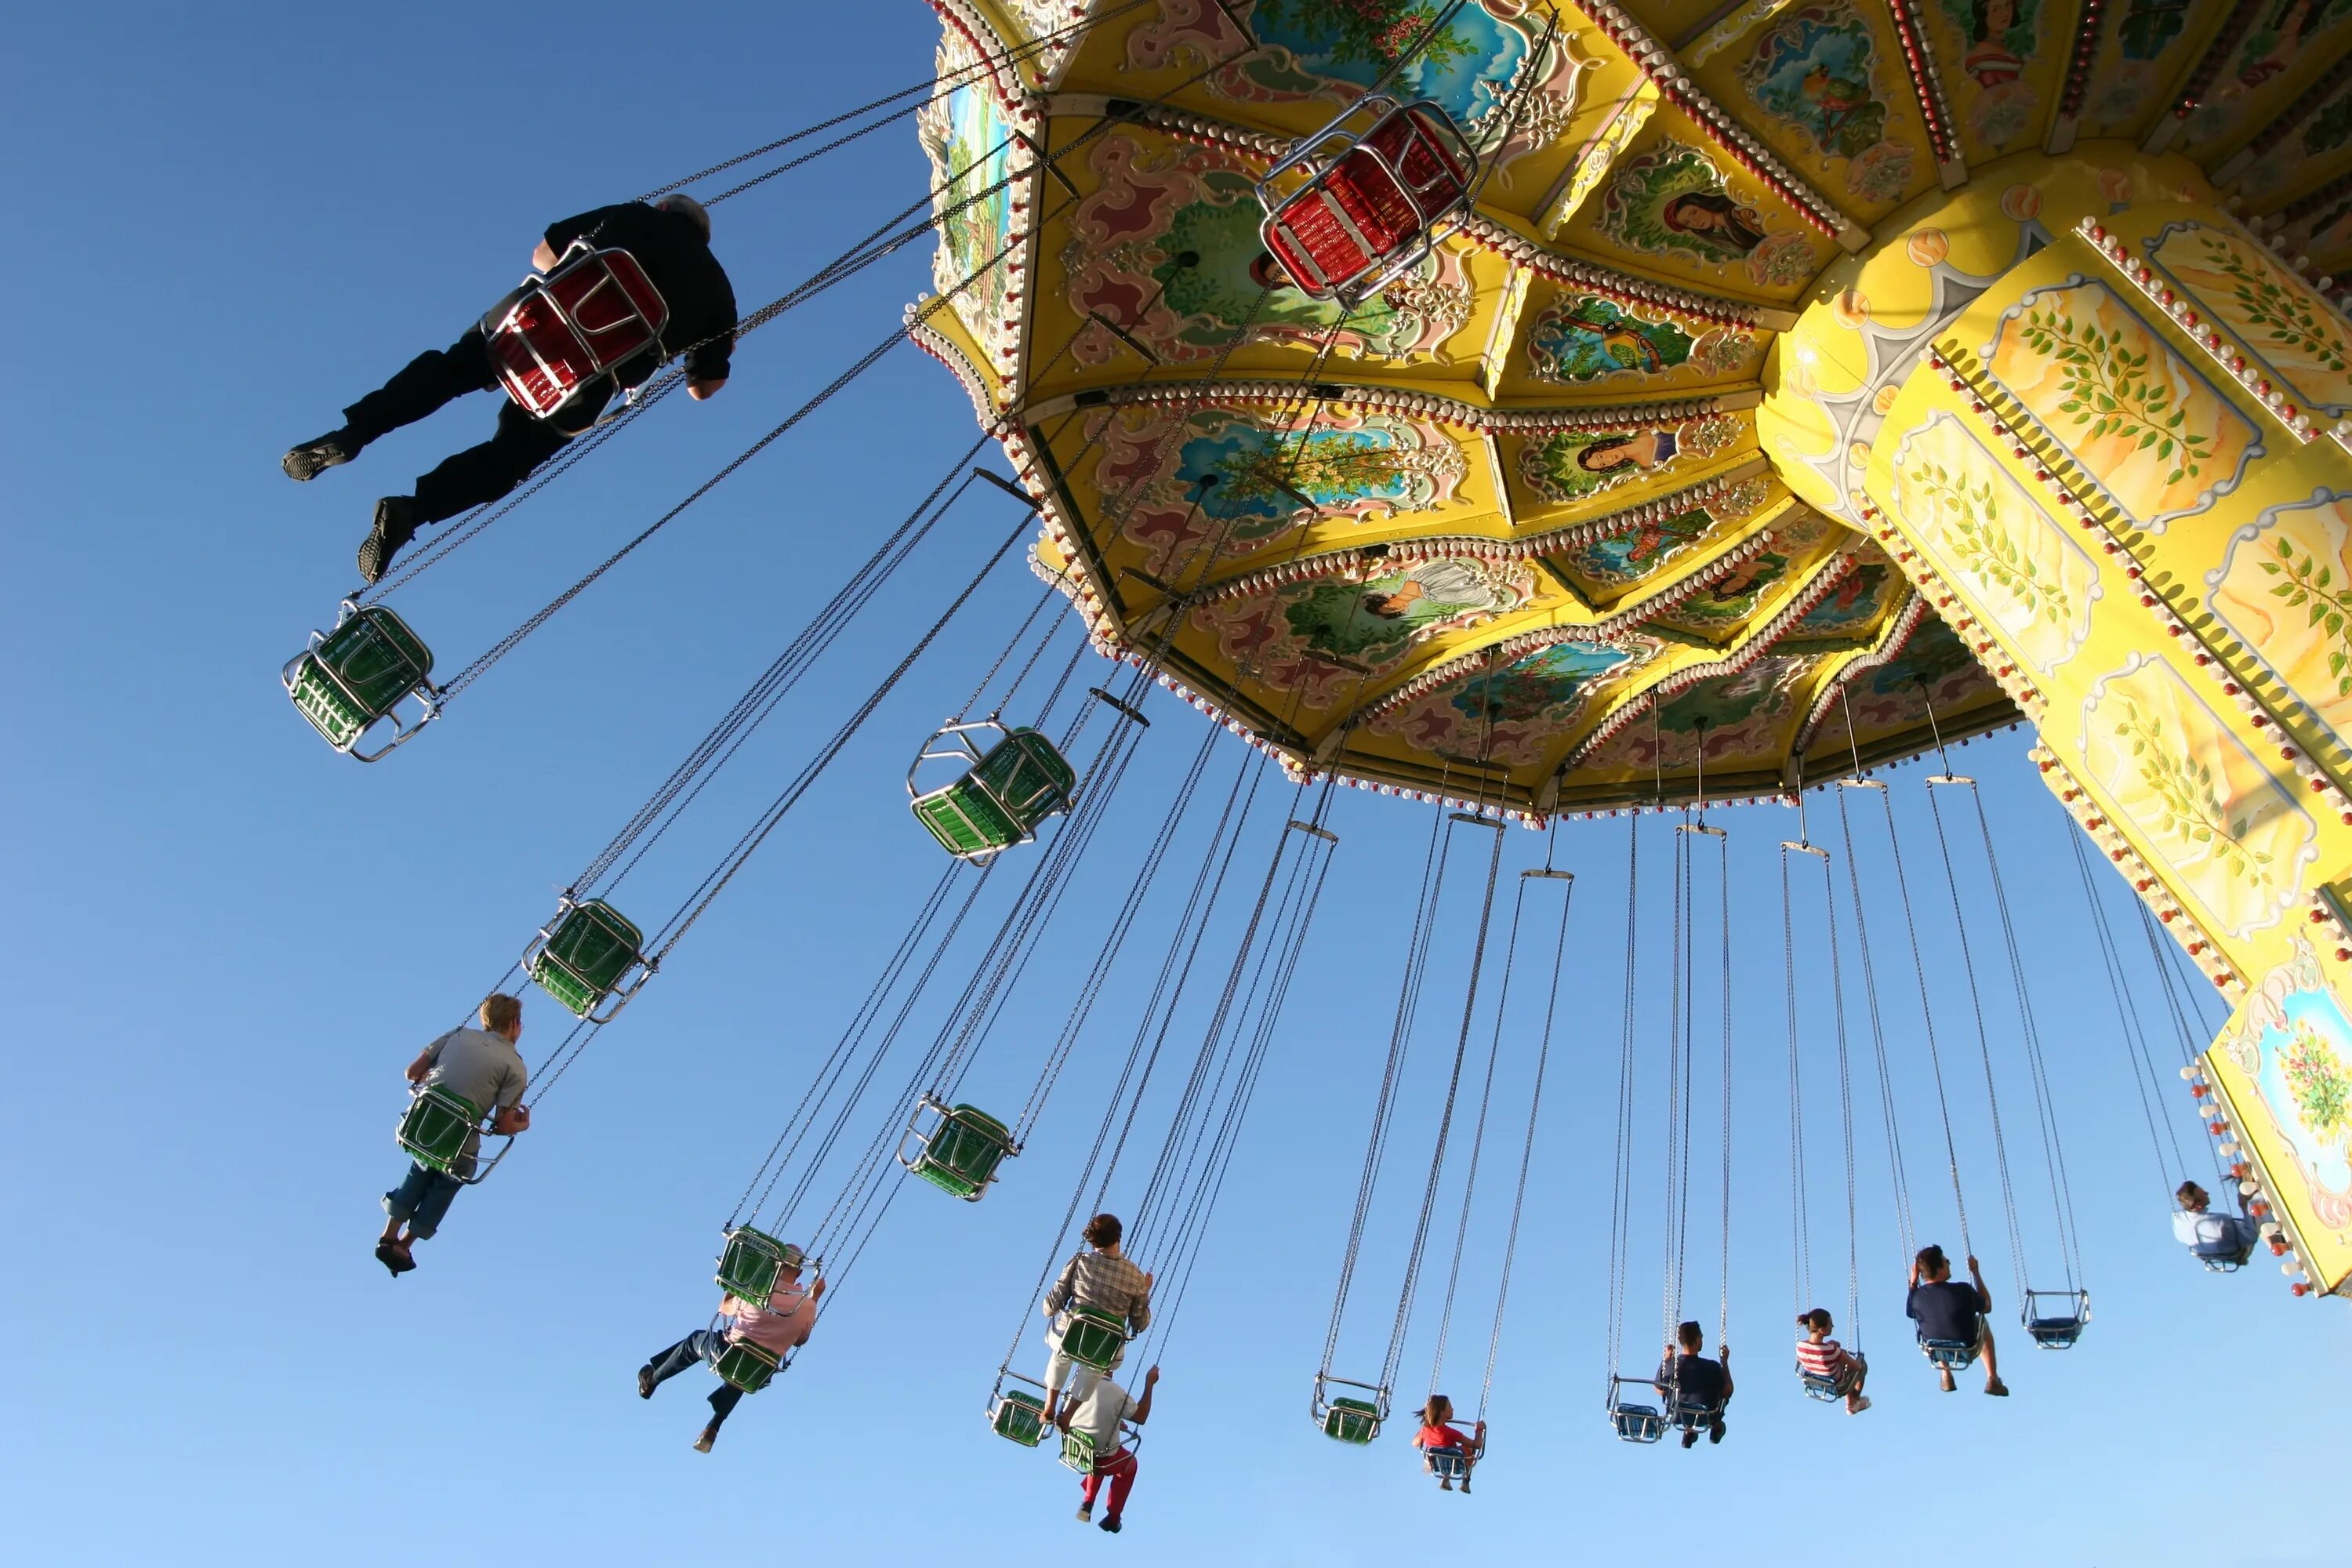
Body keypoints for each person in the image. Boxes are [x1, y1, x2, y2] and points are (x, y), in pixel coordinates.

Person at [281, 194, 738, 585]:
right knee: (512, 456)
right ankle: (412, 511)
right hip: (582, 381)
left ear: (666, 208)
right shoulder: (719, 295)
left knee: (448, 372)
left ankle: (354, 433)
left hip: (526, 326)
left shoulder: (635, 215)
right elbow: (703, 388)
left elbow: (543, 255)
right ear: (705, 239)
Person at [376, 993, 530, 1276]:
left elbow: (412, 1072)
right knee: (451, 1177)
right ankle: (406, 1244)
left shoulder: (458, 1034)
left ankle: (389, 1235)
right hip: (457, 1142)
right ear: (514, 1023)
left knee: (421, 1165)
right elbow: (502, 1126)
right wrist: (523, 1124)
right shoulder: (516, 1067)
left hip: (421, 1125)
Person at [639, 1248, 824, 1454]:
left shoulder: (758, 1292)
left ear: (773, 1265)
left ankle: (653, 1379)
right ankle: (713, 1427)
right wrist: (814, 1298)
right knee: (744, 1370)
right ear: (798, 1272)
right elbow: (801, 1340)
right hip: (759, 1373)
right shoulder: (807, 1306)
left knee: (695, 1341)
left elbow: (725, 1307)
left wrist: (736, 1285)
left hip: (725, 1354)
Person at [1040, 1213, 1153, 1425]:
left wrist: (1049, 1308)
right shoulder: (1136, 1276)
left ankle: (1050, 1406)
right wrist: (1144, 1292)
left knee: (1061, 1354)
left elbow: (1053, 1302)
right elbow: (1141, 1323)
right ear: (1118, 1237)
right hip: (1104, 1347)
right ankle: (1069, 1415)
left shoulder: (1080, 1261)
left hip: (1072, 1335)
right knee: (1094, 1368)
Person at [1060, 1365, 1160, 1534]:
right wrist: (1149, 1383)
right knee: (1129, 1464)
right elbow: (1141, 1417)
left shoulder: (1075, 1384)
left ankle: (1088, 1501)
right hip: (1101, 1459)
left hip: (1075, 1449)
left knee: (1096, 1450)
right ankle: (1113, 1517)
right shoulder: (1116, 1392)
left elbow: (1089, 1408)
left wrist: (1112, 1419)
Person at [1905, 1245, 2009, 1396]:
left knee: (1932, 1322)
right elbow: (1987, 1306)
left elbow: (1910, 1312)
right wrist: (1976, 1273)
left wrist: (1913, 1282)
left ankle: (1946, 1373)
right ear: (1939, 1269)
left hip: (1934, 1350)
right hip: (1966, 1347)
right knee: (1980, 1320)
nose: (1949, 1263)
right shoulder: (1963, 1290)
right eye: (1946, 1261)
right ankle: (1992, 1377)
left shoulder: (1916, 1297)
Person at [1656, 1319, 1733, 1448]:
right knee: (1722, 1396)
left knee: (1680, 1398)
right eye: (1701, 1336)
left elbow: (1659, 1390)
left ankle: (1689, 1430)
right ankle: (1716, 1426)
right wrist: (1724, 1361)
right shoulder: (1712, 1367)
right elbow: (1728, 1391)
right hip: (1707, 1415)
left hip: (1677, 1415)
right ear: (1697, 1340)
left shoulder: (1670, 1365)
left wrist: (1667, 1359)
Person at [1795, 1307, 1871, 1414]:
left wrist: (1832, 1348)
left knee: (1835, 1355)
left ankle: (1852, 1403)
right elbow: (1856, 1366)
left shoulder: (1800, 1346)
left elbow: (1817, 1354)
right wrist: (1842, 1354)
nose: (1833, 1326)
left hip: (1815, 1379)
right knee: (1862, 1366)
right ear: (1821, 1329)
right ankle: (1853, 1402)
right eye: (1830, 1324)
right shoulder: (1831, 1351)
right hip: (1837, 1384)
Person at [2172, 1179, 2261, 1266]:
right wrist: (2244, 1207)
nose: (2207, 1193)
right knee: (2257, 1202)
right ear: (2198, 1206)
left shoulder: (2177, 1219)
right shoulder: (2220, 1222)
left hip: (2214, 1253)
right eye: (2203, 1193)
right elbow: (2251, 1237)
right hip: (2239, 1251)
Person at [1413, 1393, 1486, 1493]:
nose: (1453, 1409)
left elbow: (1415, 1443)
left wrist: (1424, 1428)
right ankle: (1466, 1480)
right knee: (1468, 1448)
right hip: (1457, 1463)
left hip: (1438, 1464)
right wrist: (1479, 1431)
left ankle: (1445, 1478)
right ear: (1442, 1412)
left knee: (1440, 1451)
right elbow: (1477, 1445)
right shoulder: (1450, 1433)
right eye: (1450, 1406)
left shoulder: (1425, 1431)